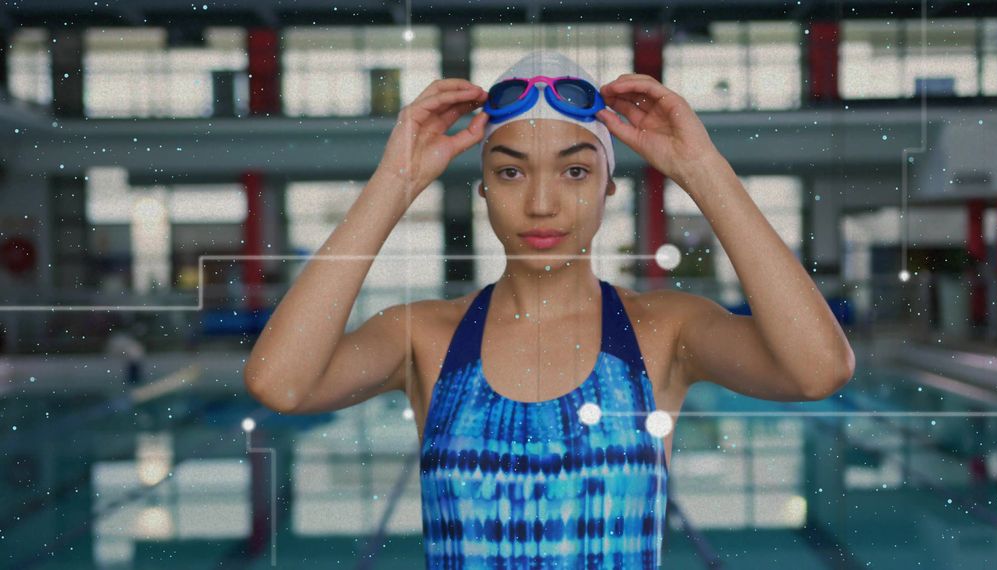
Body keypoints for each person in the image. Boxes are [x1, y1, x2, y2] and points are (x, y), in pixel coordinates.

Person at [244, 50, 856, 567]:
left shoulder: (663, 331)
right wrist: (393, 183)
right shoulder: (425, 337)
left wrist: (703, 170)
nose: (542, 203)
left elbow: (818, 370)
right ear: (483, 188)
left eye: (575, 171)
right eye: (511, 172)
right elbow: (279, 383)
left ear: (609, 186)